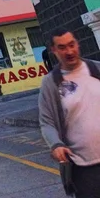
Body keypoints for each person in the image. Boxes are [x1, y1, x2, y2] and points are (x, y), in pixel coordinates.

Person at [39, 28, 100, 198]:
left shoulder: (96, 69)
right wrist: (56, 144)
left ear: (77, 44)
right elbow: (47, 121)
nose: (69, 51)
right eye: (62, 47)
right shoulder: (51, 83)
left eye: (72, 45)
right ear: (54, 50)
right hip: (83, 168)